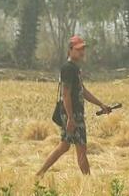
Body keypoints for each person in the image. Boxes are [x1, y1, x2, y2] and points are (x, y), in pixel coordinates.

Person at [35, 35, 114, 180]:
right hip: (72, 115)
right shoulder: (68, 69)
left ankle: (40, 173)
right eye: (78, 49)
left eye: (83, 49)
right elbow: (65, 95)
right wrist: (70, 118)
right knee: (81, 148)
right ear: (70, 50)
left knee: (65, 146)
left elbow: (82, 91)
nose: (82, 52)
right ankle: (88, 181)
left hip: (74, 114)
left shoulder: (75, 68)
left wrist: (101, 104)